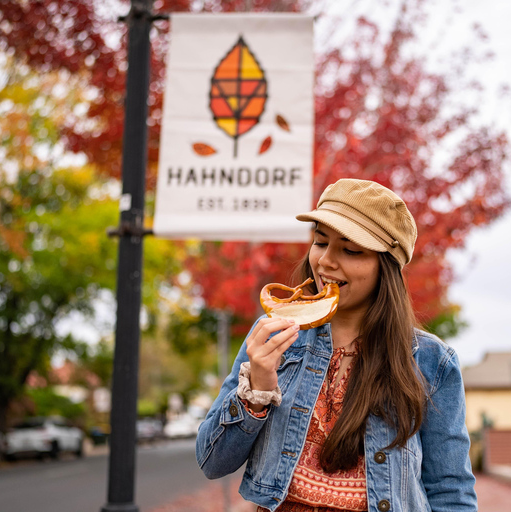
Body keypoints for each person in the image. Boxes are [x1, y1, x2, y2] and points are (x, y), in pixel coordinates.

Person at [196, 179, 477, 512]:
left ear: (385, 266)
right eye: (320, 242)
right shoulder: (271, 336)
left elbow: (450, 490)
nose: (326, 261)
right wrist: (255, 391)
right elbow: (212, 462)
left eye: (351, 249)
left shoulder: (432, 362)